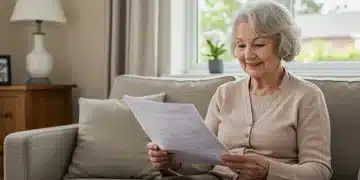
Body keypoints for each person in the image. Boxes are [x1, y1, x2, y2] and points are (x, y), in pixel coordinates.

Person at [147, 0, 332, 179]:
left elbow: (319, 171)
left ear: (283, 46)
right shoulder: (225, 93)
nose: (248, 55)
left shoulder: (307, 96)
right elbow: (202, 161)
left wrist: (268, 170)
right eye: (241, 45)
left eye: (259, 45)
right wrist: (174, 161)